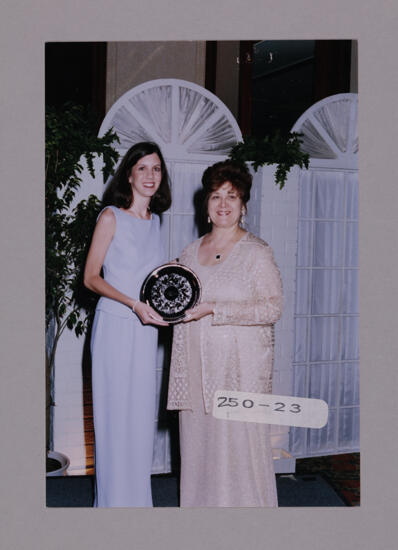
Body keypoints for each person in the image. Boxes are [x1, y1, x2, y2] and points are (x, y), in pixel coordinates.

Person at [167, 160, 283, 507]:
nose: (223, 204)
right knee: (200, 449)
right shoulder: (188, 253)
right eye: (216, 196)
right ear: (206, 206)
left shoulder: (256, 252)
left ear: (243, 205)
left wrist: (217, 308)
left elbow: (272, 308)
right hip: (196, 368)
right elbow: (178, 304)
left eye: (231, 196)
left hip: (240, 372)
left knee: (240, 452)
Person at [84, 142, 171, 507]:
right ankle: (112, 508)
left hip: (145, 330)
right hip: (116, 326)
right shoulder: (110, 217)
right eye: (143, 169)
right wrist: (133, 304)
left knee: (139, 421)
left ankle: (137, 505)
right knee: (114, 419)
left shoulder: (157, 222)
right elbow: (91, 278)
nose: (150, 176)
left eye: (156, 169)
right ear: (129, 174)